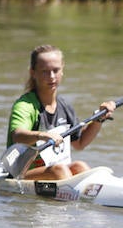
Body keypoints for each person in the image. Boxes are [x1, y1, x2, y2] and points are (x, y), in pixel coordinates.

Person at [6, 45, 117, 181]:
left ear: (62, 70)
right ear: (33, 73)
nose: (51, 77)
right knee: (60, 170)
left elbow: (80, 143)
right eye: (44, 71)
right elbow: (18, 136)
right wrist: (43, 135)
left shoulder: (64, 106)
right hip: (21, 174)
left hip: (55, 172)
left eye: (55, 70)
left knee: (80, 166)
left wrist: (98, 119)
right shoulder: (25, 106)